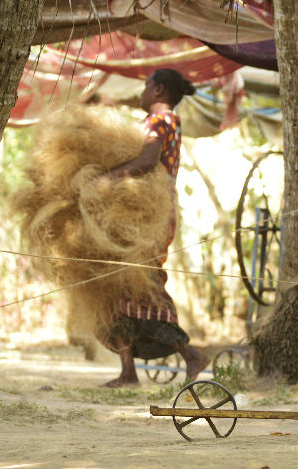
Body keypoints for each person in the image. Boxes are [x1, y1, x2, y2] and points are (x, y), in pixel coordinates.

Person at [100, 68, 209, 387]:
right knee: (119, 285)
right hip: (149, 212)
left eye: (146, 86)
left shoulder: (160, 121)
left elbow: (147, 161)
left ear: (158, 90)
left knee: (143, 283)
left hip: (153, 214)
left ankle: (191, 354)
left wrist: (108, 179)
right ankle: (128, 372)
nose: (141, 92)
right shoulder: (166, 121)